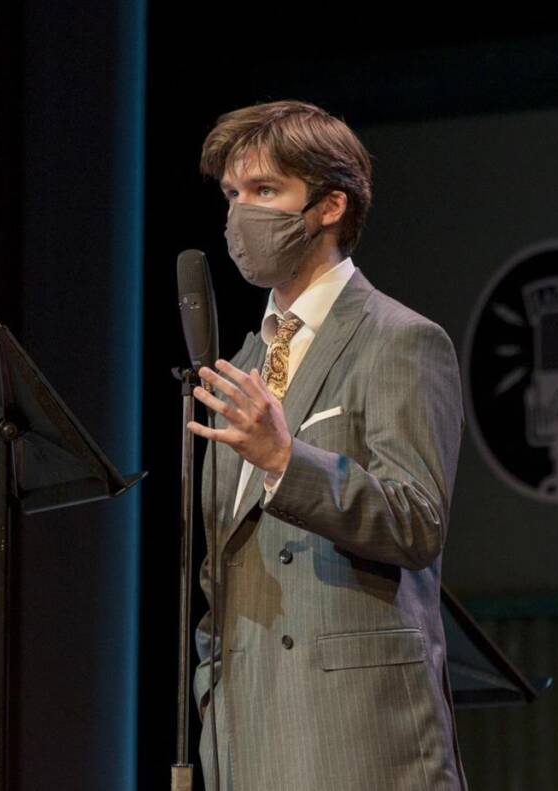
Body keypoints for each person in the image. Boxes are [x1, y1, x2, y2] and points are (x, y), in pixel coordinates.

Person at [186, 100, 467, 791]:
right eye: (232, 195)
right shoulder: (246, 360)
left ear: (329, 205)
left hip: (353, 732)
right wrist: (210, 676)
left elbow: (418, 520)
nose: (240, 215)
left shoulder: (399, 339)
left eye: (264, 191)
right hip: (245, 728)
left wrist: (288, 461)